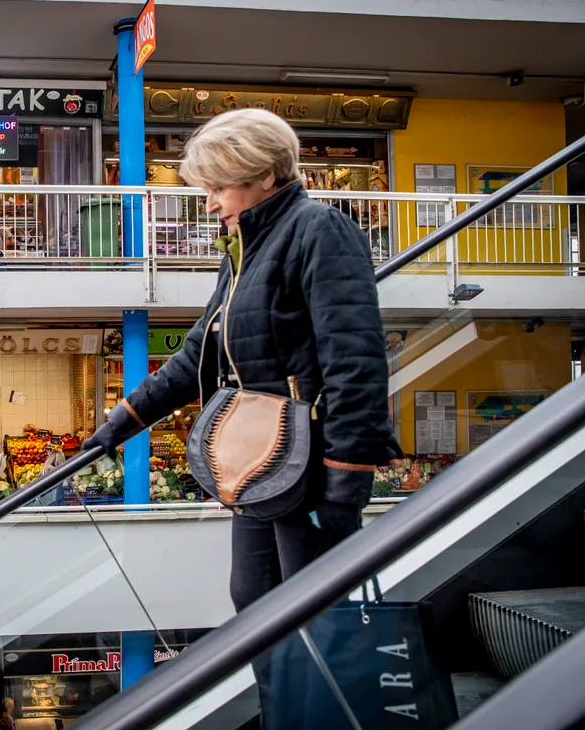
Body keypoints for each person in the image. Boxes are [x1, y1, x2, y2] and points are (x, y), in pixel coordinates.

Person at [84, 108, 397, 616]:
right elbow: (196, 359)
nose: (209, 206)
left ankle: (308, 699)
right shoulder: (243, 251)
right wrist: (122, 422)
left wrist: (345, 481)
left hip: (311, 466)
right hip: (260, 464)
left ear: (265, 175)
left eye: (219, 189)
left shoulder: (319, 230)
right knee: (253, 604)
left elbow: (355, 362)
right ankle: (280, 698)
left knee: (311, 617)